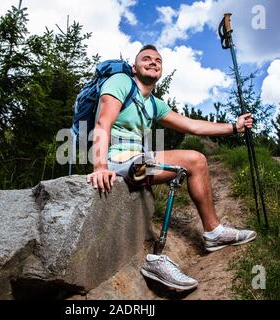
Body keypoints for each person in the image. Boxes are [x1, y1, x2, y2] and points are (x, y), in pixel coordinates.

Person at [86, 44, 257, 291]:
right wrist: (100, 165)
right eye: (146, 58)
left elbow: (192, 126)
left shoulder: (154, 103)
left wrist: (234, 127)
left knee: (196, 159)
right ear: (134, 67)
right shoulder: (120, 82)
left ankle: (214, 233)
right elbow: (103, 121)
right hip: (120, 163)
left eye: (158, 60)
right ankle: (156, 259)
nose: (153, 62)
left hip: (140, 161)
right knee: (186, 162)